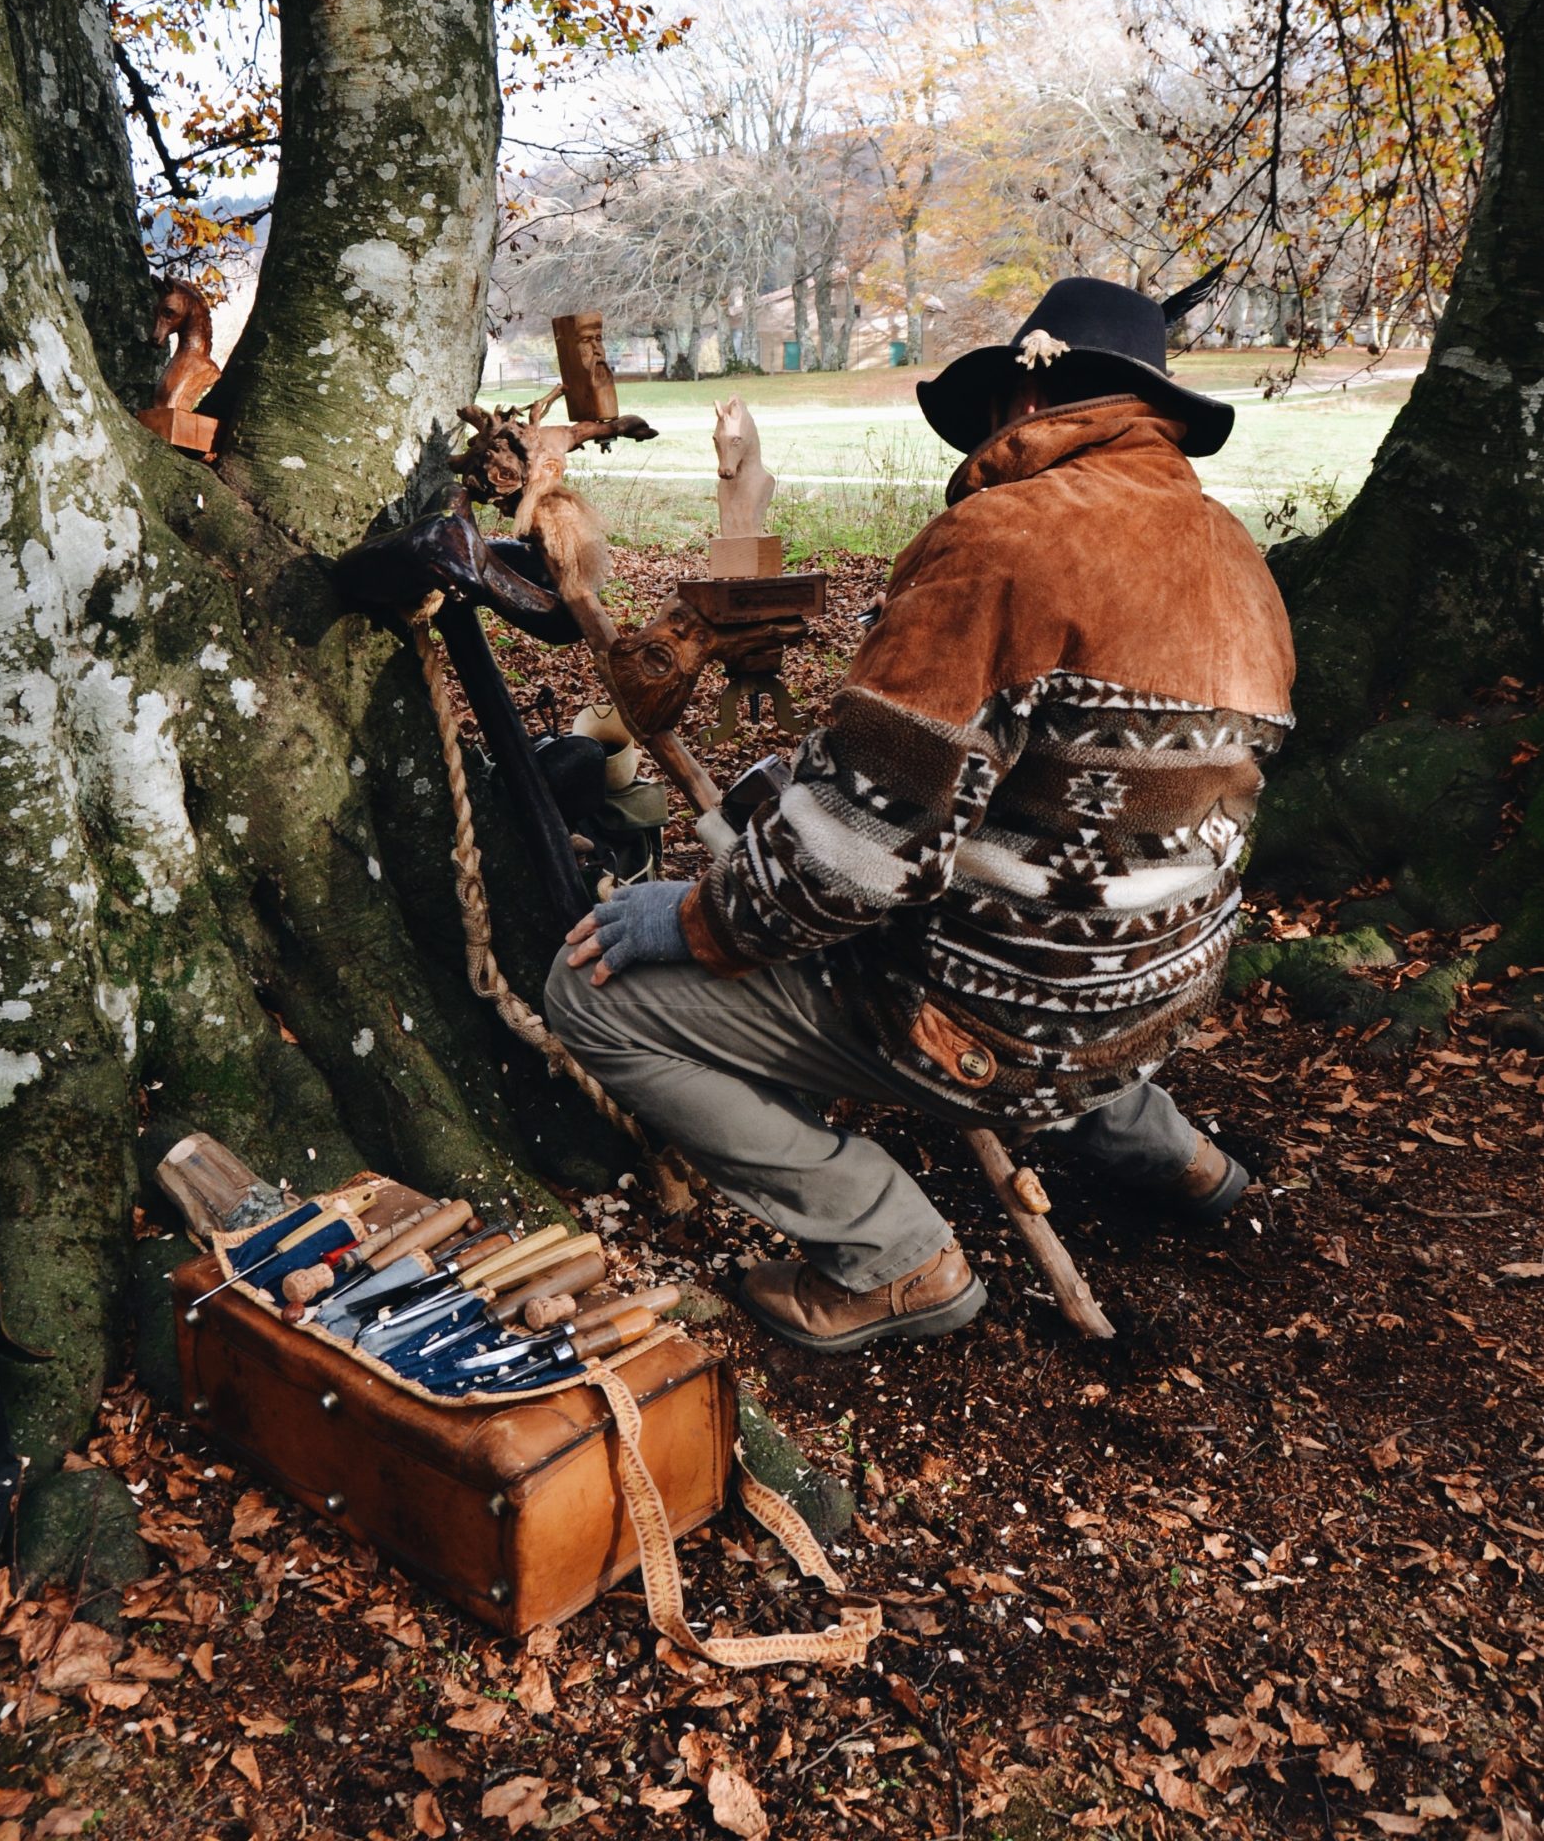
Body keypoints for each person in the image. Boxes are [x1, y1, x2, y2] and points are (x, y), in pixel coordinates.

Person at [545, 278, 1295, 1353]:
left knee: (589, 993)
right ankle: (1180, 1158)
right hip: (1155, 1002)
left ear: (1023, 401)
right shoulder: (1238, 559)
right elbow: (1085, 814)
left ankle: (892, 1253)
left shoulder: (1000, 541)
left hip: (1003, 1031)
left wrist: (695, 919)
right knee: (1075, 920)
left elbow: (853, 862)